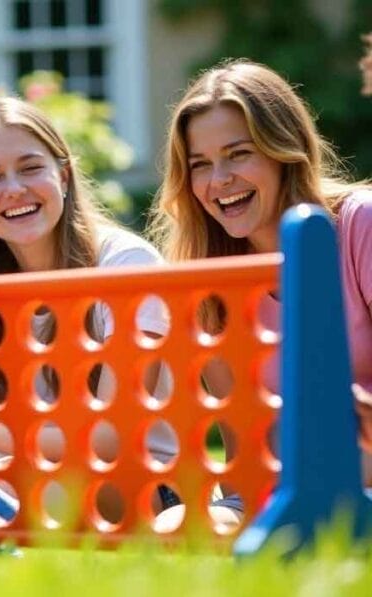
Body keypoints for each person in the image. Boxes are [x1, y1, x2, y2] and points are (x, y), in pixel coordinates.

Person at [0, 96, 177, 526]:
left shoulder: (125, 263)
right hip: (19, 475)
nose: (14, 188)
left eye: (31, 168)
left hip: (140, 486)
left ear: (64, 176)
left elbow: (111, 437)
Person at [152, 59, 372, 492]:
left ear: (283, 150)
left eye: (239, 154)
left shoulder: (358, 225)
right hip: (284, 487)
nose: (220, 179)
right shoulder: (206, 276)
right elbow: (241, 453)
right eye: (200, 164)